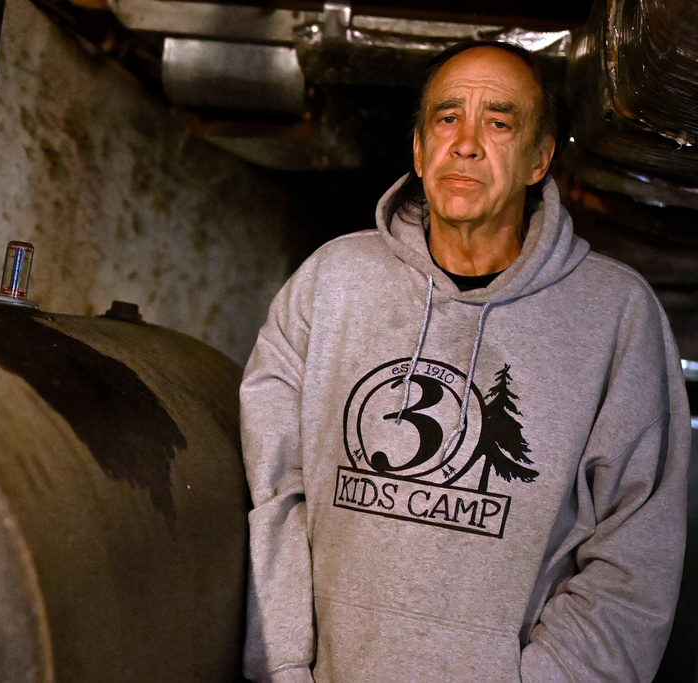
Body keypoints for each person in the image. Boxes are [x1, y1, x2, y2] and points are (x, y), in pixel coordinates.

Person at [240, 41, 690, 682]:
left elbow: (635, 552)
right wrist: (283, 666)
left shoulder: (616, 315)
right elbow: (274, 492)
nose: (468, 142)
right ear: (421, 151)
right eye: (448, 118)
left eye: (499, 122)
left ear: (539, 160)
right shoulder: (330, 282)